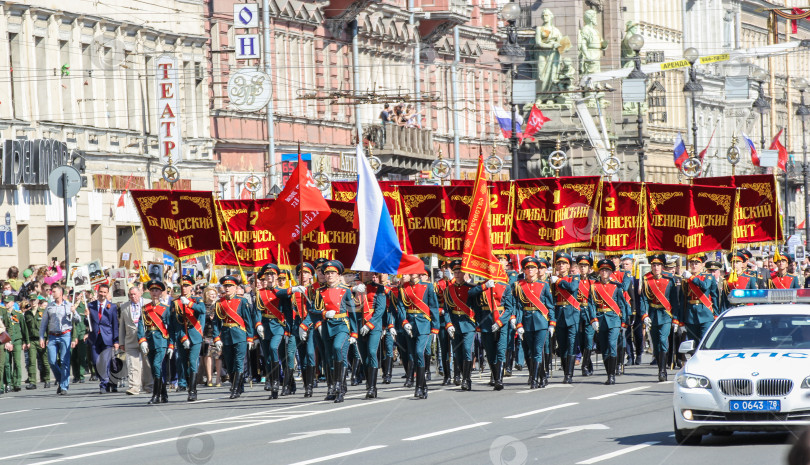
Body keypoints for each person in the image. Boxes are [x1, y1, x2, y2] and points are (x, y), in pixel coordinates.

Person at [297, 260, 354, 403]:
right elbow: (313, 311)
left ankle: (340, 388)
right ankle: (334, 387)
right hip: (327, 326)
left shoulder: (345, 290)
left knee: (337, 349)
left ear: (338, 274)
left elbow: (353, 313)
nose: (329, 275)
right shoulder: (319, 292)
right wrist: (322, 314)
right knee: (329, 359)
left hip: (341, 325)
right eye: (327, 273)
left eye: (332, 273)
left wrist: (354, 333)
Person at [396, 265, 439, 399]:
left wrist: (435, 327)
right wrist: (404, 322)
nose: (412, 273)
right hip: (410, 324)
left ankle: (419, 387)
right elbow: (401, 307)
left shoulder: (428, 287)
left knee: (420, 352)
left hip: (424, 324)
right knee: (413, 355)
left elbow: (434, 307)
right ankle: (423, 385)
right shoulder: (403, 288)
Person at [513, 257, 555, 389]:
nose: (530, 270)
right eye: (527, 268)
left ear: (537, 270)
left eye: (533, 268)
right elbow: (518, 306)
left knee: (537, 351)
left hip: (541, 322)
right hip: (526, 321)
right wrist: (518, 323)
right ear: (524, 270)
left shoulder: (544, 285)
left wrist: (552, 322)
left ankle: (533, 379)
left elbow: (550, 306)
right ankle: (541, 376)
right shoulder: (519, 285)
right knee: (530, 351)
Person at [470, 271, 514, 391]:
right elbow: (471, 294)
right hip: (486, 324)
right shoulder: (481, 287)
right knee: (490, 353)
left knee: (500, 351)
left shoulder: (505, 287)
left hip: (500, 323)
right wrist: (484, 286)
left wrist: (500, 322)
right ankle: (494, 377)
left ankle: (499, 380)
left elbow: (509, 308)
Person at [212, 275, 254, 400]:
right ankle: (238, 384)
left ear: (236, 288)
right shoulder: (220, 303)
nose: (228, 288)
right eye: (226, 286)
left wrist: (250, 338)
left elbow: (248, 321)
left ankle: (235, 389)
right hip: (226, 335)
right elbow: (216, 322)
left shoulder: (242, 301)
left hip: (240, 334)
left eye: (230, 286)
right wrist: (216, 338)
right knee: (229, 364)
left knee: (238, 362)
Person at [639, 254, 680, 382]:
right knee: (656, 345)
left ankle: (662, 371)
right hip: (652, 315)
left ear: (662, 266)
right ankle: (659, 366)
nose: (656, 267)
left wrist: (676, 318)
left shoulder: (670, 279)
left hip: (666, 314)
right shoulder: (647, 279)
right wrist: (644, 314)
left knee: (663, 340)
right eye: (654, 265)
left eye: (658, 265)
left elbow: (675, 300)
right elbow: (644, 299)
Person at [589, 259, 629, 385]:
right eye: (602, 270)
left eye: (607, 270)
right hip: (600, 319)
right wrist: (593, 319)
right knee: (604, 348)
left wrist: (624, 322)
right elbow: (591, 305)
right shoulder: (594, 286)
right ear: (599, 272)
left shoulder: (616, 286)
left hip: (614, 319)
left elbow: (622, 305)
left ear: (611, 272)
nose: (604, 272)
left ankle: (612, 375)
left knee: (612, 345)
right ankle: (608, 373)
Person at [255, 264, 289, 400]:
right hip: (265, 326)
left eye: (272, 275)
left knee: (274, 348)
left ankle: (276, 382)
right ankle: (272, 382)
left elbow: (287, 311)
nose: (270, 277)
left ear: (276, 276)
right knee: (267, 357)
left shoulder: (282, 291)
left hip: (278, 325)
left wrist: (288, 329)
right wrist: (258, 325)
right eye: (268, 275)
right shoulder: (260, 292)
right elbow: (257, 311)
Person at [170, 275, 206, 402]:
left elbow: (202, 310)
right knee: (183, 363)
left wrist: (189, 303)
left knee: (192, 361)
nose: (184, 288)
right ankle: (187, 383)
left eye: (186, 286)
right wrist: (177, 339)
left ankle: (193, 390)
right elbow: (174, 323)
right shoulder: (175, 302)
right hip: (181, 336)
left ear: (191, 287)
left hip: (195, 335)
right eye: (182, 286)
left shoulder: (197, 300)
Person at [39, 284, 80, 395]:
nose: (53, 293)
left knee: (64, 361)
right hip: (52, 336)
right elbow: (43, 323)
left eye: (55, 291)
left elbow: (78, 320)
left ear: (61, 293)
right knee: (52, 361)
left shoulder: (68, 305)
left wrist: (74, 312)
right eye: (52, 291)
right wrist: (41, 337)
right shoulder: (50, 306)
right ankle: (61, 379)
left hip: (65, 335)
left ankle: (64, 386)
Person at [138, 279, 172, 404]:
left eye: (157, 290)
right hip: (150, 340)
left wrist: (171, 344)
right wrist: (142, 340)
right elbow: (141, 325)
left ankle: (155, 395)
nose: (154, 292)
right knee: (154, 368)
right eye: (152, 290)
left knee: (157, 366)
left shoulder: (166, 308)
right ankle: (164, 394)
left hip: (161, 340)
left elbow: (171, 328)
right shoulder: (145, 308)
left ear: (161, 292)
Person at [444, 261, 475, 390]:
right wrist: (449, 324)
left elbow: (476, 307)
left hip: (468, 323)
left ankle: (467, 379)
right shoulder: (448, 290)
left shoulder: (471, 288)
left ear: (464, 273)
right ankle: (463, 375)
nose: (457, 274)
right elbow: (446, 309)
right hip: (455, 323)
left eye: (459, 272)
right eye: (455, 272)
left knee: (467, 350)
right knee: (457, 352)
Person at [354, 271, 386, 399]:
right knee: (364, 355)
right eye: (365, 273)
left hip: (374, 324)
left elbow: (380, 309)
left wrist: (369, 324)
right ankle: (369, 382)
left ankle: (373, 387)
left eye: (370, 273)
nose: (367, 274)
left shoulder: (379, 288)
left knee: (372, 352)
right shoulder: (354, 287)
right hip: (359, 324)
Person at [551, 252, 580, 384]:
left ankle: (569, 374)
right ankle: (565, 372)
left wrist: (557, 281)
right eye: (559, 263)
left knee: (571, 344)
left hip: (572, 314)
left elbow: (572, 288)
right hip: (559, 315)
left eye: (564, 263)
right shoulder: (552, 279)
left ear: (568, 266)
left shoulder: (573, 278)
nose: (561, 265)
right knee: (562, 346)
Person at [86, 284, 119, 394]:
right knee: (95, 362)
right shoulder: (90, 305)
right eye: (101, 292)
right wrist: (86, 316)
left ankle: (104, 384)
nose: (102, 294)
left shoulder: (112, 307)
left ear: (107, 293)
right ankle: (105, 380)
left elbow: (115, 324)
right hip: (95, 338)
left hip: (107, 337)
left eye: (105, 292)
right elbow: (88, 323)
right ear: (97, 292)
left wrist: (116, 340)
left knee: (105, 361)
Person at [119, 286, 150, 395]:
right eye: (131, 295)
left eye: (134, 294)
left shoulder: (148, 303)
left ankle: (149, 385)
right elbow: (121, 326)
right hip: (130, 339)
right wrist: (121, 342)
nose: (133, 296)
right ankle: (134, 386)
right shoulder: (124, 307)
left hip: (145, 339)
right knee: (132, 364)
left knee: (147, 364)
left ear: (140, 293)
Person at [1, 293, 29, 392]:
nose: (6, 304)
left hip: (17, 340)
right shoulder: (3, 313)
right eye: (5, 302)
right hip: (6, 341)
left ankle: (16, 383)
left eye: (8, 302)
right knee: (7, 363)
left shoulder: (18, 314)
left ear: (13, 303)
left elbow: (24, 328)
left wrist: (26, 341)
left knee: (17, 362)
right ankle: (8, 382)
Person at [575, 255, 595, 377]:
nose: (582, 268)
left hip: (589, 311)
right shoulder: (574, 280)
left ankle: (585, 365)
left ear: (589, 268)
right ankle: (588, 363)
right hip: (577, 311)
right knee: (580, 340)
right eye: (581, 266)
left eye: (585, 266)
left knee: (588, 339)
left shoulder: (593, 282)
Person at [24, 295, 50, 389]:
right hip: (32, 339)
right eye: (31, 300)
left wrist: (48, 339)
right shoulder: (27, 314)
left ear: (37, 301)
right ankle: (32, 382)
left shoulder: (43, 312)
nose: (33, 302)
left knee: (45, 361)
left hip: (42, 339)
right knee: (31, 361)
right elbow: (25, 329)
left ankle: (47, 379)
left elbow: (47, 326)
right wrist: (26, 341)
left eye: (34, 300)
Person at [201, 286, 223, 387]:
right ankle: (209, 378)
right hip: (207, 333)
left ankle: (218, 378)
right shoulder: (203, 305)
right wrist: (208, 317)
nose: (213, 296)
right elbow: (200, 318)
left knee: (218, 355)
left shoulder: (219, 304)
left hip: (218, 333)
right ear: (206, 295)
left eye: (214, 294)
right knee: (208, 355)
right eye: (211, 294)